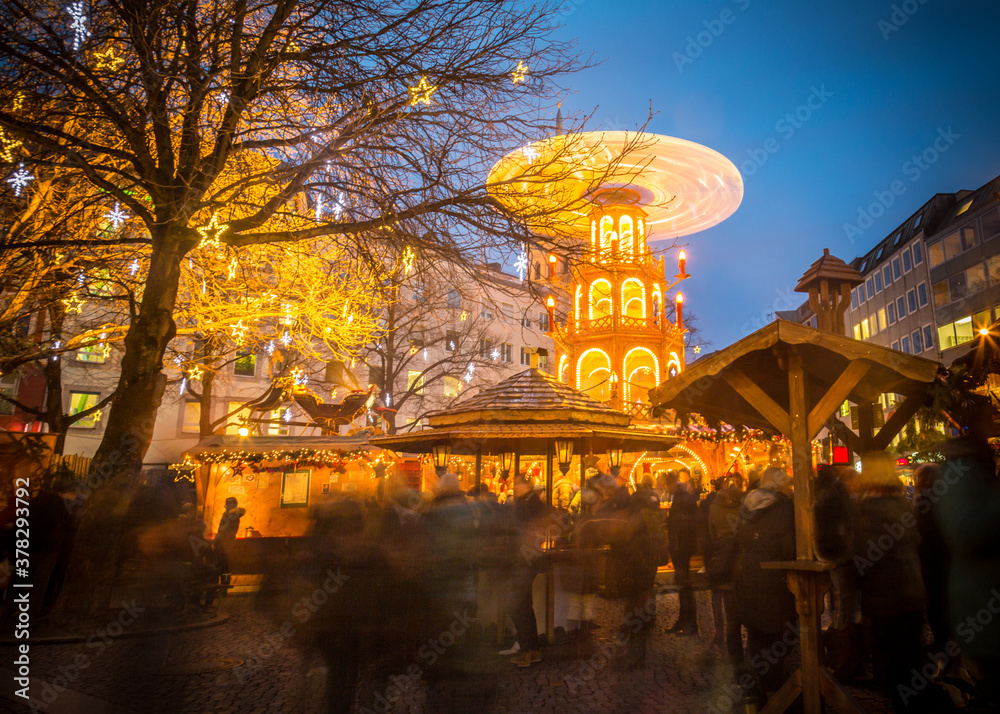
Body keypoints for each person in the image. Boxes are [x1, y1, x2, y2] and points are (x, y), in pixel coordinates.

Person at [935, 399, 1000, 705]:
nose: (995, 423)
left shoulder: (980, 467)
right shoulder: (960, 472)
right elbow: (965, 533)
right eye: (990, 418)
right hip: (982, 608)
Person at [851, 452, 927, 712]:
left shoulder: (868, 509)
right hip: (911, 593)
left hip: (886, 600)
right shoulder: (899, 502)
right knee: (911, 665)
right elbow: (916, 541)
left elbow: (862, 557)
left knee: (895, 671)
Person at [734, 466, 797, 700]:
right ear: (781, 486)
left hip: (750, 580)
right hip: (776, 584)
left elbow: (740, 539)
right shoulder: (785, 509)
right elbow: (789, 550)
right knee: (780, 640)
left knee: (758, 639)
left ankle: (762, 691)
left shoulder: (747, 507)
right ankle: (779, 693)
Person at [507, 476, 546, 667]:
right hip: (529, 559)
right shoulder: (533, 501)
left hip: (522, 560)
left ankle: (526, 651)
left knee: (517, 606)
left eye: (516, 485)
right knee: (525, 606)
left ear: (523, 485)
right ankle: (533, 649)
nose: (514, 488)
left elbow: (518, 529)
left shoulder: (526, 503)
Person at [707, 475, 743, 663]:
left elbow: (712, 535)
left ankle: (735, 655)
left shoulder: (714, 508)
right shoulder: (743, 507)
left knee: (731, 614)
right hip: (742, 563)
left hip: (724, 561)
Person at [665, 470, 699, 635]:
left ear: (672, 484)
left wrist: (676, 550)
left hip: (681, 549)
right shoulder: (685, 497)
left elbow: (680, 526)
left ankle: (687, 623)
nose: (666, 489)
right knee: (685, 587)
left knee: (684, 587)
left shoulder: (681, 500)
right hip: (684, 548)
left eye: (666, 486)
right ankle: (687, 622)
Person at [214, 497, 246, 592]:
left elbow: (222, 530)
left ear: (229, 505)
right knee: (226, 566)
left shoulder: (228, 515)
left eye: (226, 505)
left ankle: (219, 589)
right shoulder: (236, 515)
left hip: (222, 544)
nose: (225, 507)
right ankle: (224, 588)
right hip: (229, 544)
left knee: (220, 565)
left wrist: (214, 541)